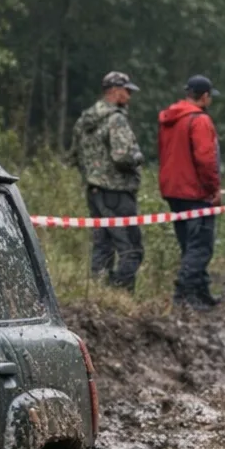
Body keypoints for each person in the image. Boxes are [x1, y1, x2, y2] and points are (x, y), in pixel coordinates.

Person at [71, 71, 146, 291]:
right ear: (113, 91)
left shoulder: (84, 120)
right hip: (118, 192)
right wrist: (138, 157)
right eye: (126, 91)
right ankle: (120, 294)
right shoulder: (117, 119)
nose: (129, 97)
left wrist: (92, 175)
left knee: (103, 246)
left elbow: (73, 155)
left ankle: (99, 293)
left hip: (94, 191)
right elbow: (122, 156)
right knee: (131, 249)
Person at [158, 74, 222, 310]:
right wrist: (213, 189)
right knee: (201, 246)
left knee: (189, 243)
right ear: (204, 97)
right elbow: (206, 159)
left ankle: (201, 292)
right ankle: (185, 296)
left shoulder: (170, 119)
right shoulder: (200, 121)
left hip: (173, 190)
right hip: (195, 192)